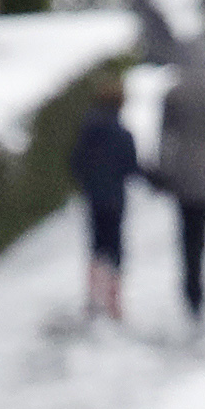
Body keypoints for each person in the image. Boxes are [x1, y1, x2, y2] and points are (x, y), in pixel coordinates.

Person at [152, 43, 205, 323]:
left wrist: (164, 170)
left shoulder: (174, 92)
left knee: (186, 236)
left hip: (182, 173)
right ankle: (198, 291)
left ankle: (191, 291)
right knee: (201, 233)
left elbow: (164, 137)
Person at [70, 78, 141, 321]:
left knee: (96, 245)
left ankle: (93, 297)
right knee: (115, 247)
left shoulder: (86, 130)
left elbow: (76, 162)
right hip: (115, 197)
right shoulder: (122, 134)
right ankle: (114, 303)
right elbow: (131, 166)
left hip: (93, 196)